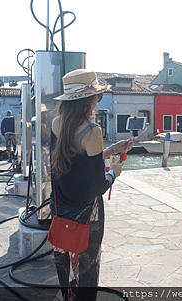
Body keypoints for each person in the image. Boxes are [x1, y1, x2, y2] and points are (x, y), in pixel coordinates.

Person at [50, 69, 133, 300]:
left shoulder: (57, 123)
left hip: (61, 209)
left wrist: (111, 149)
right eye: (97, 96)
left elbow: (76, 164)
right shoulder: (92, 130)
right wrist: (114, 174)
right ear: (89, 99)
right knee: (87, 270)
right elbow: (96, 184)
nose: (98, 100)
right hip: (86, 215)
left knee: (67, 268)